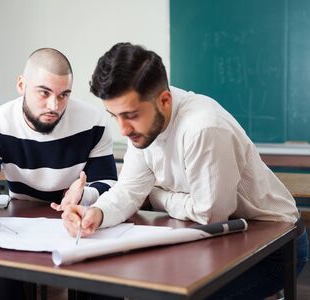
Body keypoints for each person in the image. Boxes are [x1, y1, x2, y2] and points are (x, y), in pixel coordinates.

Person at [62, 42, 308, 300]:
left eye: (130, 115)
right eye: (114, 116)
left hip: (274, 245)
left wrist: (156, 195)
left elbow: (210, 214)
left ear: (164, 100)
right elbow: (129, 190)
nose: (123, 129)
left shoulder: (203, 129)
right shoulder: (145, 126)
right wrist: (97, 214)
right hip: (219, 239)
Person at [0, 48, 117, 299]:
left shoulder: (94, 121)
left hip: (75, 216)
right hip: (23, 217)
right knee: (2, 275)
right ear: (22, 84)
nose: (54, 106)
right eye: (44, 93)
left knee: (103, 277)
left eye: (64, 95)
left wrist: (84, 195)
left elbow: (108, 184)